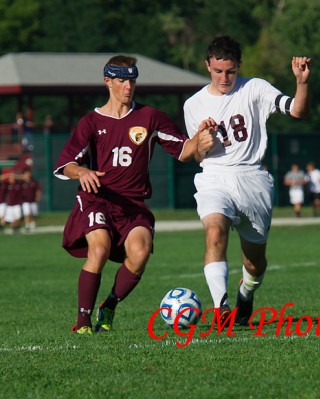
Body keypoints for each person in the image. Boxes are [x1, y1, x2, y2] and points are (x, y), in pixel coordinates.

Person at [53, 55, 215, 335]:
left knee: (140, 253)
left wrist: (200, 140)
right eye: (121, 80)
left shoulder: (150, 117)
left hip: (133, 203)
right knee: (100, 248)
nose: (128, 86)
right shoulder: (91, 122)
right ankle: (82, 321)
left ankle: (110, 307)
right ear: (108, 81)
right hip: (97, 199)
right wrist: (83, 173)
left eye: (132, 80)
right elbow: (66, 165)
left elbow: (184, 152)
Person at [183, 35, 311, 326]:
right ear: (207, 66)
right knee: (214, 232)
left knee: (254, 263)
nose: (224, 77)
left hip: (253, 179)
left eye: (230, 71)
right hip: (214, 176)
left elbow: (298, 111)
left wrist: (302, 82)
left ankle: (246, 292)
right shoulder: (194, 104)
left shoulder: (255, 88)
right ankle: (221, 309)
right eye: (218, 71)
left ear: (239, 66)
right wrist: (202, 142)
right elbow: (198, 157)